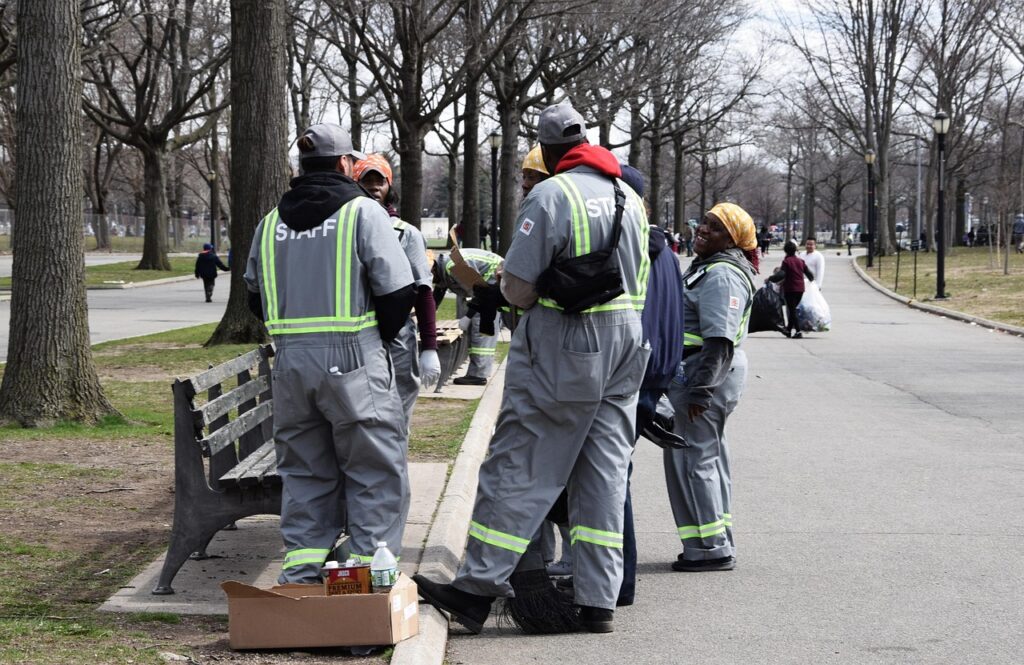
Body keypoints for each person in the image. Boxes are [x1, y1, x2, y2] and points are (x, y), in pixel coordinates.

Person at [413, 102, 650, 635]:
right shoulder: (628, 197)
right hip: (627, 344)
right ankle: (597, 600)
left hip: (565, 344)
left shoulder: (550, 195)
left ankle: (475, 590)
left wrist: (510, 288)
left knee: (518, 464)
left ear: (546, 150)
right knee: (603, 473)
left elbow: (517, 288)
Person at [243, 123, 415, 583]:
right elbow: (399, 292)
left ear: (302, 167)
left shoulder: (270, 222)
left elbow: (255, 297)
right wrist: (373, 340)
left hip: (292, 365)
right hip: (354, 359)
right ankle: (361, 585)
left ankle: (300, 578)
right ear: (345, 165)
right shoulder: (363, 213)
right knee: (375, 470)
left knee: (304, 472)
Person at [665, 202, 758, 573]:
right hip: (702, 374)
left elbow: (720, 340)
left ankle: (710, 548)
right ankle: (715, 539)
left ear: (731, 239)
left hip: (703, 375)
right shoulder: (711, 268)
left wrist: (700, 392)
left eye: (716, 228)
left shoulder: (721, 274)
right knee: (706, 457)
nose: (703, 229)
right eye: (704, 222)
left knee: (695, 460)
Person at [353, 153, 441, 428]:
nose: (374, 186)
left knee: (398, 412)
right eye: (366, 180)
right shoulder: (345, 231)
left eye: (380, 181)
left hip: (399, 338)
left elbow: (423, 290)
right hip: (358, 337)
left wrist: (429, 347)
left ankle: (395, 467)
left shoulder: (406, 234)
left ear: (390, 186)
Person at [431, 247, 504, 385]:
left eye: (431, 276)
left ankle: (478, 375)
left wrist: (468, 317)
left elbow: (479, 294)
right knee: (476, 326)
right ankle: (477, 372)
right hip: (488, 283)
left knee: (480, 326)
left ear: (434, 268)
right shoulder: (443, 268)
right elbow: (438, 293)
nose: (432, 280)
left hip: (494, 278)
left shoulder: (454, 266)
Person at [768, 239, 815, 339]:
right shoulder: (801, 261)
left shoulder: (786, 261)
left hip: (790, 289)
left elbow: (781, 274)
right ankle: (788, 330)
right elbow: (810, 275)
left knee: (792, 311)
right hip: (800, 289)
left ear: (785, 251)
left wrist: (770, 279)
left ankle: (798, 331)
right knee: (793, 309)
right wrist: (811, 281)